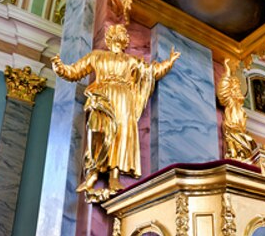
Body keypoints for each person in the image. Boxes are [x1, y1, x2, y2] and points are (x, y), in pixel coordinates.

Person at [52, 23, 180, 197]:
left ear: (126, 41)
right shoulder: (97, 56)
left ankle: (114, 175)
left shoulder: (131, 61)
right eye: (116, 32)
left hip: (124, 100)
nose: (119, 35)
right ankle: (92, 174)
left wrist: (169, 62)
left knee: (121, 134)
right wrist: (60, 67)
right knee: (98, 132)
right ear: (109, 37)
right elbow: (74, 72)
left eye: (122, 33)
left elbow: (151, 72)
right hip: (102, 98)